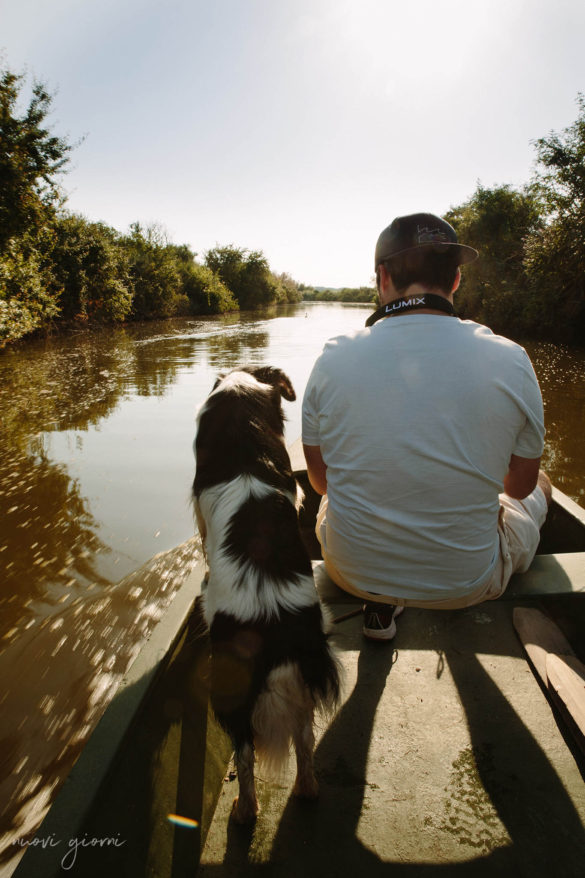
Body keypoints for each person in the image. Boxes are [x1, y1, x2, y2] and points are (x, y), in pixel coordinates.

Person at [302, 212, 549, 641]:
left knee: (335, 497)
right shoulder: (512, 359)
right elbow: (518, 488)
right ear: (455, 281)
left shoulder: (332, 358)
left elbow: (321, 484)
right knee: (542, 483)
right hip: (465, 584)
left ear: (383, 278)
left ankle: (384, 594)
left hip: (351, 573)